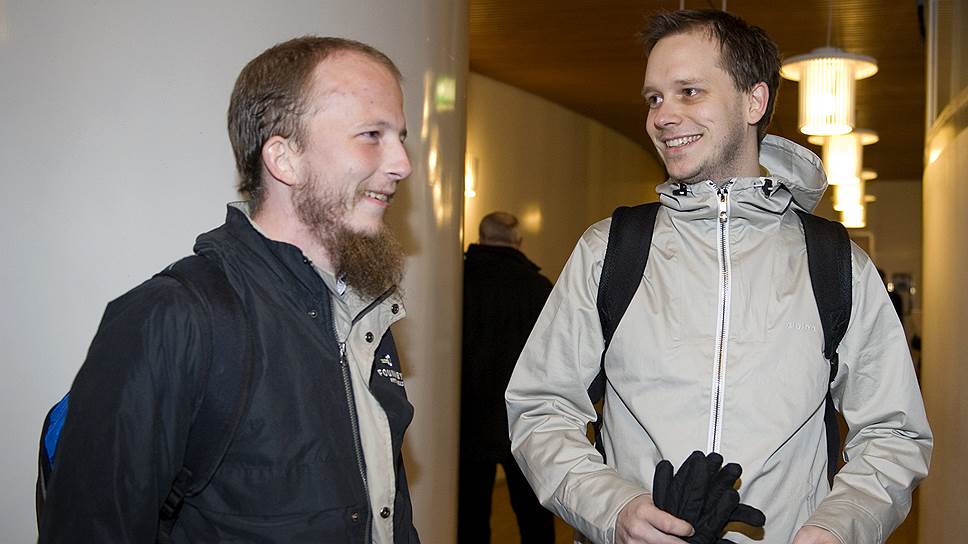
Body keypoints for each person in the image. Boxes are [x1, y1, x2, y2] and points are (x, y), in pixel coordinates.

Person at [505, 10, 932, 544]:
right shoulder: (610, 250)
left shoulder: (835, 263)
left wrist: (837, 527)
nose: (662, 117)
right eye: (654, 98)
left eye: (689, 92)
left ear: (754, 102)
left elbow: (894, 433)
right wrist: (613, 509)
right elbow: (540, 408)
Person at [39, 37, 419, 543]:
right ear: (284, 158)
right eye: (372, 134)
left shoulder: (364, 314)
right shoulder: (174, 317)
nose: (402, 164)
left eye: (400, 137)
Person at [458, 212, 555, 544]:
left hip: (468, 420)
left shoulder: (458, 281)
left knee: (470, 517)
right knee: (534, 517)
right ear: (519, 242)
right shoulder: (537, 288)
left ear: (481, 238)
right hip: (522, 420)